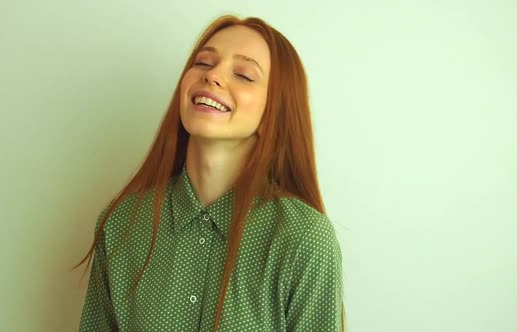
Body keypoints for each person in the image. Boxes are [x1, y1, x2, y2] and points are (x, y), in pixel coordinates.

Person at [75, 14, 344, 332]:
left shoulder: (304, 239)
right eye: (203, 63)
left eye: (244, 74)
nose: (213, 75)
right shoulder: (122, 223)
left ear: (276, 110)